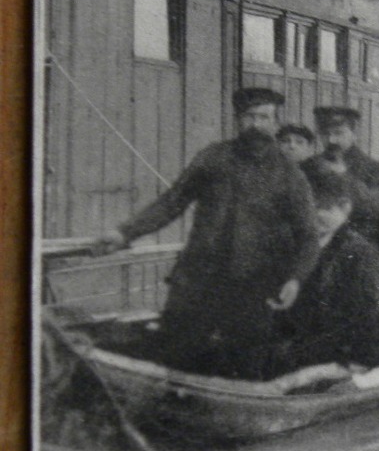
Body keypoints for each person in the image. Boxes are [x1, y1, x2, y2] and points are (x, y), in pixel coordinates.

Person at [92, 87, 317, 380]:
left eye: (264, 117)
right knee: (173, 357)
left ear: (275, 123)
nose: (256, 124)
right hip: (197, 280)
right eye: (249, 116)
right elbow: (172, 202)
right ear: (238, 119)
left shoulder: (289, 174)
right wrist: (124, 234)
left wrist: (295, 279)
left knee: (244, 366)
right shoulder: (213, 158)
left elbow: (309, 236)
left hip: (253, 287)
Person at [279, 168, 379, 372]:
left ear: (345, 208)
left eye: (323, 207)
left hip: (344, 353)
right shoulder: (297, 248)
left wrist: (359, 360)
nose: (313, 215)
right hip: (303, 346)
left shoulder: (359, 251)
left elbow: (370, 311)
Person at [311, 106, 379, 239]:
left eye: (338, 133)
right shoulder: (310, 166)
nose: (331, 140)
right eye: (325, 133)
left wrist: (344, 176)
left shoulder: (374, 169)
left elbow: (378, 211)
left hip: (357, 245)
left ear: (354, 134)